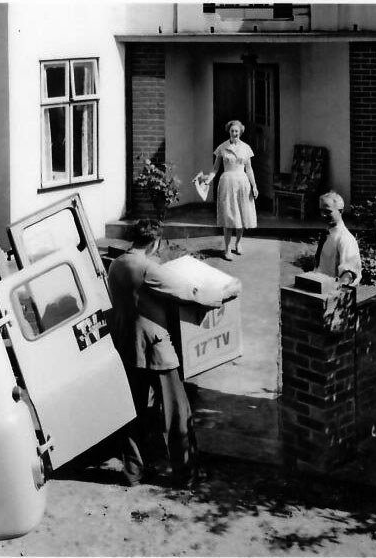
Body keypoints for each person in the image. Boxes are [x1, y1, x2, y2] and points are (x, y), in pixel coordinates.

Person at [108, 219, 231, 487]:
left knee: (133, 412)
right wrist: (221, 295)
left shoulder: (117, 263)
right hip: (155, 348)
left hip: (126, 346)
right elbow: (187, 292)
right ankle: (186, 474)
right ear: (156, 242)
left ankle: (133, 471)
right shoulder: (148, 268)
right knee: (176, 412)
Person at [209, 120, 258, 260]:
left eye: (237, 131)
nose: (234, 133)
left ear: (240, 132)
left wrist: (254, 186)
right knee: (229, 215)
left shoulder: (246, 148)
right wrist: (207, 180)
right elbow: (215, 169)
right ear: (229, 132)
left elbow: (249, 169)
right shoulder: (222, 147)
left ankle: (238, 243)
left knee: (241, 215)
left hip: (242, 182)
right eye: (232, 131)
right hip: (227, 183)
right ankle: (226, 249)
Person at [315, 191, 362, 286]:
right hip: (319, 287)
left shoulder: (345, 239)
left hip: (331, 292)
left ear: (341, 211)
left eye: (328, 211)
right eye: (321, 211)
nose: (323, 215)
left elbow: (348, 274)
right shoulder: (328, 233)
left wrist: (333, 292)